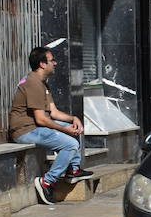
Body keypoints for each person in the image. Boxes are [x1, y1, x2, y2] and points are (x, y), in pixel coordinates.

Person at [9, 46, 92, 205]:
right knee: (70, 144)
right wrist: (63, 128)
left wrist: (72, 119)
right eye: (52, 60)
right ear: (42, 64)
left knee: (73, 129)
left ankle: (73, 170)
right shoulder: (33, 83)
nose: (55, 63)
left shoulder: (42, 84)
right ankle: (46, 182)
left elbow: (53, 113)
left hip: (34, 127)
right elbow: (41, 119)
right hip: (25, 131)